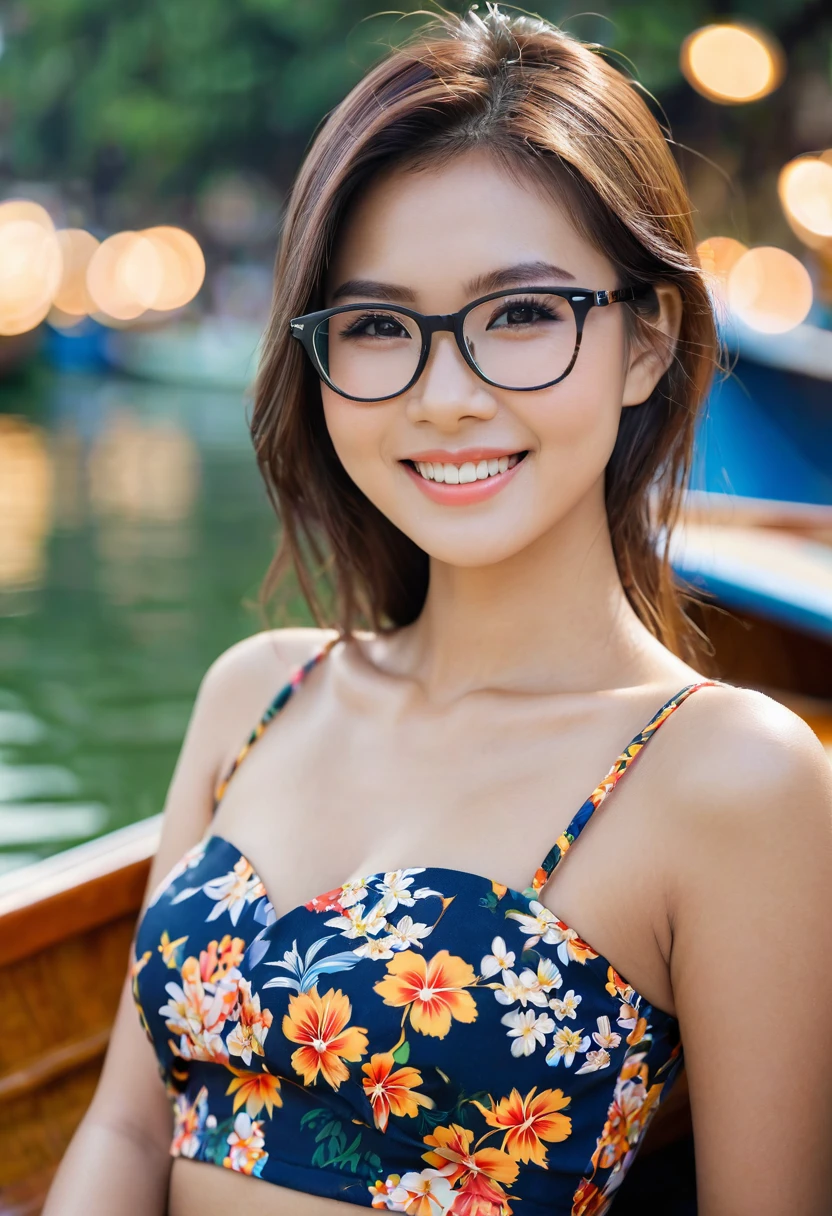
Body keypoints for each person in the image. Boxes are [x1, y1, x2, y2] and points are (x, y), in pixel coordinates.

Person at [45, 7, 832, 1216]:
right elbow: (120, 1125)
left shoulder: (727, 776)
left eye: (519, 314)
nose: (445, 394)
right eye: (375, 327)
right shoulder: (257, 691)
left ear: (642, 340)